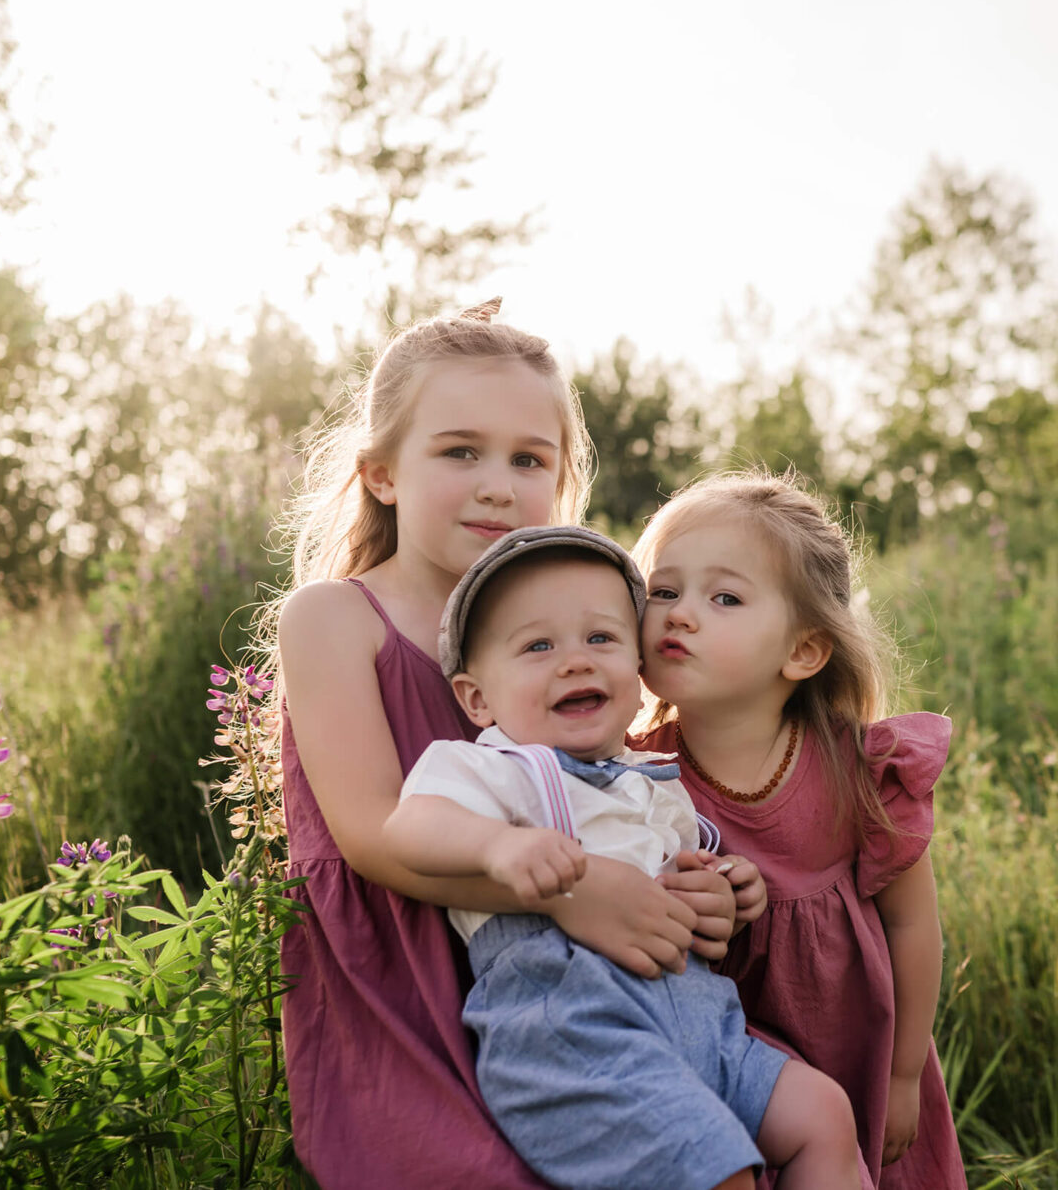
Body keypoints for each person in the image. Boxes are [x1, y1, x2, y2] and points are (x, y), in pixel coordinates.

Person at [269, 301, 745, 1189]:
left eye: (530, 459)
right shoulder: (334, 618)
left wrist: (687, 884)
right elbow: (371, 834)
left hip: (587, 988)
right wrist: (574, 892)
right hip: (403, 971)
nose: (498, 484)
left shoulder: (576, 621)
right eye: (460, 451)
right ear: (381, 474)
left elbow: (618, 784)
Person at [382, 525, 859, 1190]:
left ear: (639, 674)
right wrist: (500, 845)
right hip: (575, 1036)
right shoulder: (497, 767)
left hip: (703, 1024)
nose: (575, 661)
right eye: (538, 645)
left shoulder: (655, 779)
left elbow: (693, 898)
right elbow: (409, 827)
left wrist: (725, 894)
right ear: (477, 698)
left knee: (825, 1114)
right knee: (720, 1171)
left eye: (601, 638)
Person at [632, 470, 970, 1190]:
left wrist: (906, 1070)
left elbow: (913, 925)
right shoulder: (634, 774)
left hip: (854, 1038)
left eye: (723, 597)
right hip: (724, 1043)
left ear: (804, 651)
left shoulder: (859, 767)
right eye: (663, 590)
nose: (680, 614)